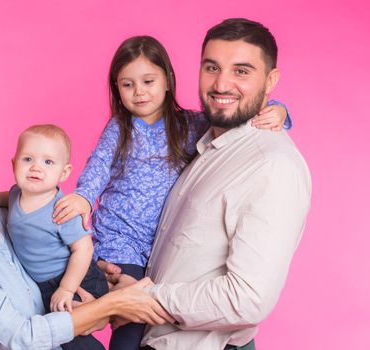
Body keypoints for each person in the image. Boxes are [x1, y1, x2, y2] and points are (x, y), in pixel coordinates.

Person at [52, 35, 291, 350]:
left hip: (159, 250)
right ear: (117, 89)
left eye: (148, 81)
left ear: (167, 80)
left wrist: (280, 110)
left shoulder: (189, 124)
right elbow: (98, 165)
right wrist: (83, 195)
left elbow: (232, 114)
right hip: (121, 242)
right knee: (129, 325)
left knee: (138, 320)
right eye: (127, 85)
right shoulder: (120, 129)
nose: (139, 92)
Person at [0, 111, 173, 350]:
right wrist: (110, 305)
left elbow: (46, 270)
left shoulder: (12, 215)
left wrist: (96, 283)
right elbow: (19, 338)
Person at [131, 18, 311, 350]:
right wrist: (128, 279)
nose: (222, 84)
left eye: (241, 71)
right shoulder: (204, 147)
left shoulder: (271, 165)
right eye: (212, 67)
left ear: (270, 81)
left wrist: (142, 298)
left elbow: (248, 298)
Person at [7, 124, 108, 349]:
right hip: (43, 285)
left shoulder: (62, 210)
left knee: (72, 336)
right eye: (27, 159)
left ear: (64, 172)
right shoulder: (15, 194)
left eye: (48, 162)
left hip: (76, 278)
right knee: (51, 339)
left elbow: (83, 248)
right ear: (14, 164)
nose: (36, 168)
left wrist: (67, 288)